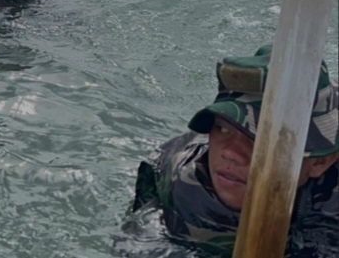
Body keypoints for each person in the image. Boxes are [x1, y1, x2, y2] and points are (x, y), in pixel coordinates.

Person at [129, 44, 339, 257]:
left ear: (320, 162)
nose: (231, 153)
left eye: (258, 140)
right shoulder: (181, 187)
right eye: (222, 128)